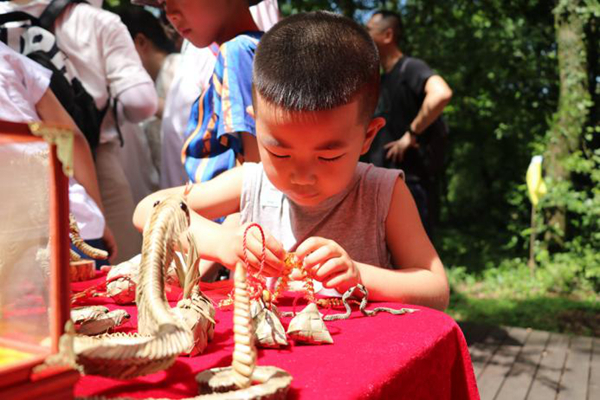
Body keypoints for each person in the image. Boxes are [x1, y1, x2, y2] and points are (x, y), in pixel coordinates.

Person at [133, 12, 449, 310]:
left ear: (368, 136)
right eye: (280, 153)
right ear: (255, 125)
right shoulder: (252, 182)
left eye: (328, 156)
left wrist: (359, 275)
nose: (301, 175)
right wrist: (222, 243)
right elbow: (148, 210)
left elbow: (435, 289)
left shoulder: (383, 194)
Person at [0, 0, 159, 263]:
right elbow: (141, 102)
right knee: (122, 267)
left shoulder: (6, 28)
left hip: (19, 208)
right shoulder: (98, 20)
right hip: (91, 165)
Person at [0, 41, 116, 266]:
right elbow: (72, 138)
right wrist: (98, 215)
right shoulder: (9, 59)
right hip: (73, 221)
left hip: (30, 235)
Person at [155, 0, 279, 189]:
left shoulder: (238, 51)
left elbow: (255, 177)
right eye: (164, 4)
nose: (170, 13)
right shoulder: (264, 50)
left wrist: (185, 199)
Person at [363, 10, 453, 238]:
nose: (364, 35)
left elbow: (441, 93)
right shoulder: (380, 80)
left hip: (408, 184)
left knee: (415, 255)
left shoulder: (411, 67)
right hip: (378, 183)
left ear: (388, 35)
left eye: (368, 30)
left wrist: (410, 134)